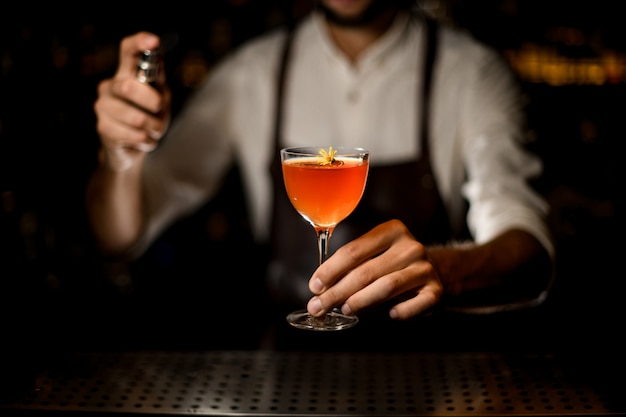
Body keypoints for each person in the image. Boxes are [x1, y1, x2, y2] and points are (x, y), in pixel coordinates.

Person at [86, 0, 554, 345]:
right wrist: (122, 155)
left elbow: (531, 254)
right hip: (281, 370)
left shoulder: (471, 73)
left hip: (424, 372)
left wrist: (442, 270)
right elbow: (121, 235)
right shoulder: (250, 73)